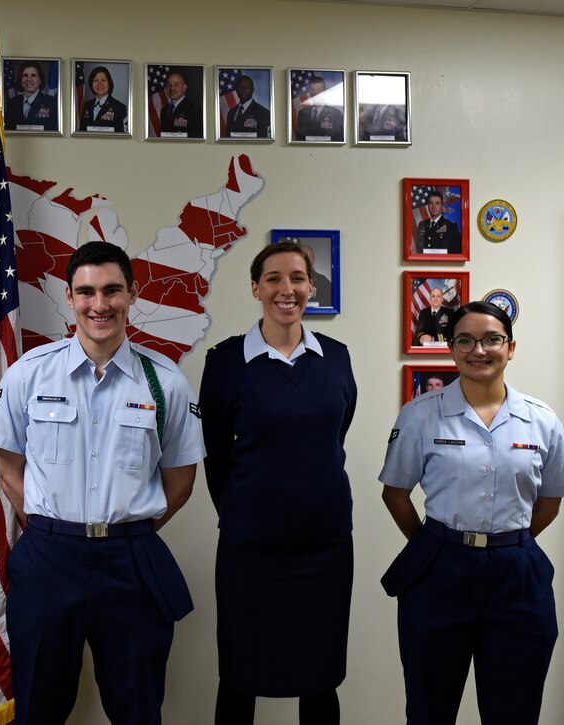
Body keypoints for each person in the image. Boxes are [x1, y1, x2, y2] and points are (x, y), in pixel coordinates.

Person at [0, 241, 205, 724]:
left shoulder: (165, 382)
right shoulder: (29, 374)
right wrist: (47, 524)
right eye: (86, 292)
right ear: (69, 297)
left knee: (137, 710)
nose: (99, 305)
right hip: (48, 559)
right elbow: (7, 462)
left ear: (132, 294)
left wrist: (127, 529)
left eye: (111, 291)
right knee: (39, 708)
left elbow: (181, 479)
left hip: (130, 562)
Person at [379, 301, 564, 725]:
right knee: (429, 706)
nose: (479, 350)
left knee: (515, 709)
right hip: (441, 570)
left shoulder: (541, 420)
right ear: (451, 350)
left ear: (510, 348)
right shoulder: (420, 415)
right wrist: (434, 548)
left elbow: (551, 501)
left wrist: (510, 542)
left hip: (516, 574)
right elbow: (395, 493)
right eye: (465, 340)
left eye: (492, 339)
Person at [199, 241, 356, 725]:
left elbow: (335, 433)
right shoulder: (225, 362)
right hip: (251, 551)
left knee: (320, 677)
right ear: (254, 288)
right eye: (273, 278)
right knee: (240, 677)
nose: (286, 289)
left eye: (296, 278)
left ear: (311, 287)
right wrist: (247, 512)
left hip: (324, 549)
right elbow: (216, 455)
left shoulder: (336, 358)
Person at [5, 60, 58, 131]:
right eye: (25, 75)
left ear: (40, 80)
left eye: (33, 75)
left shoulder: (51, 102)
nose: (29, 79)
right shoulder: (12, 103)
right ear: (20, 79)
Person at [78, 65, 127, 133]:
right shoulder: (87, 105)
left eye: (103, 80)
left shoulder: (119, 107)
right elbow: (81, 132)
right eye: (95, 80)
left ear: (109, 82)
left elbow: (121, 136)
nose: (99, 84)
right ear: (91, 83)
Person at [295, 76, 343, 141]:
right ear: (309, 91)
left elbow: (338, 138)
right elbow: (299, 138)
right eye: (313, 90)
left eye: (319, 90)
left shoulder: (336, 113)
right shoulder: (302, 113)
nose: (316, 93)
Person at [223, 74, 271, 139]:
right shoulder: (231, 112)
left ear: (252, 90)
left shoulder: (264, 113)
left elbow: (264, 139)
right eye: (240, 88)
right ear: (236, 90)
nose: (243, 91)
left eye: (247, 87)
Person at [159, 70, 202, 137]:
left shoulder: (194, 109)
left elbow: (195, 132)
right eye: (169, 85)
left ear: (184, 88)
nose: (172, 88)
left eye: (176, 85)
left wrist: (174, 122)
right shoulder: (164, 109)